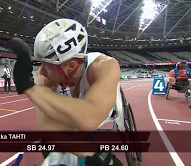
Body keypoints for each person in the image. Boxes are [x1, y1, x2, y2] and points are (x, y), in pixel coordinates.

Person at [9, 18, 124, 166]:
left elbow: (89, 120)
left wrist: (29, 87)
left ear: (71, 66)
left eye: (47, 65)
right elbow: (47, 128)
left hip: (104, 111)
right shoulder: (44, 76)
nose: (41, 70)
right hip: (77, 117)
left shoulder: (105, 65)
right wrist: (91, 153)